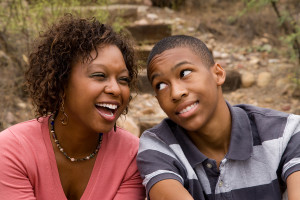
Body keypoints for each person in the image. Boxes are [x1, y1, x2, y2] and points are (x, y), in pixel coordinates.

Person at [136, 35, 300, 200]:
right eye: (161, 85)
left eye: (184, 73)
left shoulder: (286, 132)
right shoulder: (159, 146)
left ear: (218, 74)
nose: (176, 93)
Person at [0, 14, 146, 200]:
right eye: (100, 75)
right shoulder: (12, 151)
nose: (116, 89)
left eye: (123, 79)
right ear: (62, 81)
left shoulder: (133, 156)